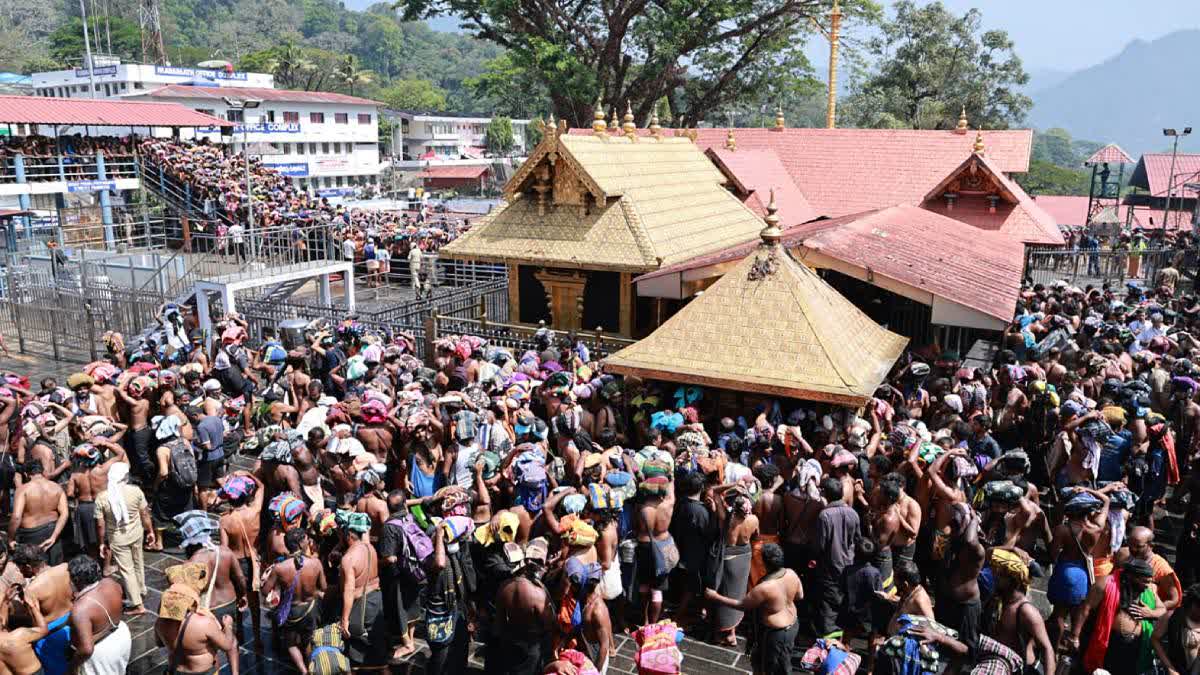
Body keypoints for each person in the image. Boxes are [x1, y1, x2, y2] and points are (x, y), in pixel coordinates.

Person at [705, 543, 802, 675]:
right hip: (792, 626)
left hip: (775, 634)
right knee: (783, 664)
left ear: (764, 562)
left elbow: (742, 605)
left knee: (767, 669)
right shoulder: (791, 573)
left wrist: (715, 596)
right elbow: (800, 596)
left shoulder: (764, 588)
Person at [260, 529, 325, 673]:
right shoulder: (315, 563)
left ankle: (303, 670)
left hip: (291, 611)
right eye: (306, 539)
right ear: (302, 543)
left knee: (290, 644)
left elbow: (265, 592)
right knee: (309, 640)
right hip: (311, 609)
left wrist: (264, 578)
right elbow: (324, 587)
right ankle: (311, 667)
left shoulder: (279, 568)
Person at [94, 463, 153, 616]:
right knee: (138, 561)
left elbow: (100, 525)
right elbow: (145, 514)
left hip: (118, 538)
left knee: (127, 571)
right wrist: (150, 531)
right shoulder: (136, 491)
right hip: (136, 532)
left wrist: (101, 542)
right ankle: (140, 589)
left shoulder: (102, 497)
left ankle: (138, 604)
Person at [12, 544, 72, 675]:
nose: (20, 573)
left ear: (28, 567)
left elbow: (36, 625)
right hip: (74, 622)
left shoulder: (32, 590)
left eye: (20, 569)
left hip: (51, 637)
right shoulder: (65, 568)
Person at [67, 555, 131, 675]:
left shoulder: (80, 609)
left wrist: (71, 667)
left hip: (101, 653)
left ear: (76, 580)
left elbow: (86, 649)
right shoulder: (111, 583)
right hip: (121, 636)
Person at [813, 476, 860, 637]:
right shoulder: (853, 513)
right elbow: (857, 540)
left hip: (829, 567)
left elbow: (820, 545)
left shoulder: (824, 515)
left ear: (825, 493)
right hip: (848, 566)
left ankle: (828, 641)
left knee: (827, 608)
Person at [7, 459, 68, 566]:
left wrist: (10, 538)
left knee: (34, 569)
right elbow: (64, 514)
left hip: (32, 535)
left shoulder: (23, 490)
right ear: (43, 471)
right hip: (54, 531)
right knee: (54, 568)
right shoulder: (57, 487)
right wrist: (54, 536)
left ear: (26, 474)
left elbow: (16, 517)